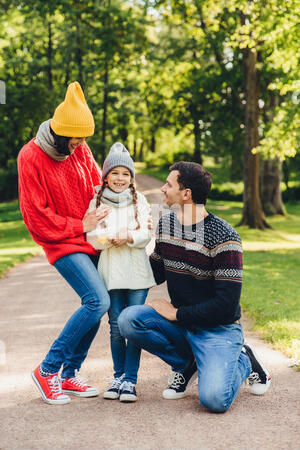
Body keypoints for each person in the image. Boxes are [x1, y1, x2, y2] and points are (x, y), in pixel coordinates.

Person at [118, 161, 271, 413]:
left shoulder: (225, 236)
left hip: (218, 330)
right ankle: (189, 362)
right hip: (184, 327)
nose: (163, 189)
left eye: (169, 184)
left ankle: (244, 361)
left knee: (214, 400)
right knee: (129, 320)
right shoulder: (166, 224)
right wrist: (119, 248)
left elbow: (226, 305)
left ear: (186, 194)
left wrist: (176, 313)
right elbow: (153, 272)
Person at [18, 81, 111, 405]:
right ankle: (48, 370)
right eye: (75, 138)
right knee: (97, 301)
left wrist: (118, 206)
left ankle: (70, 374)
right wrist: (78, 225)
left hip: (90, 238)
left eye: (84, 139)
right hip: (60, 242)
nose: (80, 144)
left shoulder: (80, 149)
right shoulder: (30, 156)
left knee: (100, 305)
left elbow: (98, 184)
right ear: (59, 132)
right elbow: (35, 215)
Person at [86, 142, 155, 402]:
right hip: (111, 273)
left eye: (125, 174)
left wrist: (127, 236)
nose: (120, 178)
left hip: (136, 272)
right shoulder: (96, 200)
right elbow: (92, 237)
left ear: (131, 178)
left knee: (133, 326)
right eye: (115, 173)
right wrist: (108, 239)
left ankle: (131, 381)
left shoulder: (141, 200)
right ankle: (118, 376)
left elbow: (147, 234)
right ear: (106, 176)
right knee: (116, 326)